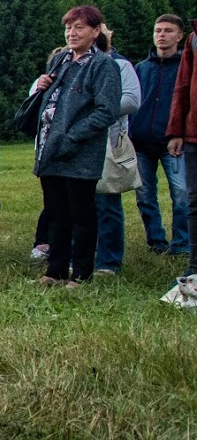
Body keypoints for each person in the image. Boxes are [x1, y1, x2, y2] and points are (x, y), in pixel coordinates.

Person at [32, 6, 121, 286]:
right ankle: (55, 271)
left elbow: (106, 110)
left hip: (80, 151)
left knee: (81, 214)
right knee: (56, 213)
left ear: (95, 32)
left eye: (79, 27)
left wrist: (73, 137)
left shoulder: (103, 65)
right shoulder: (60, 60)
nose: (72, 33)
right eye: (69, 27)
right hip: (51, 148)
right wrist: (43, 85)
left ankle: (81, 274)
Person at [133, 14, 188, 257]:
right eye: (158, 31)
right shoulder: (141, 68)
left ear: (179, 36)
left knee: (182, 194)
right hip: (141, 142)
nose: (161, 35)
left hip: (173, 142)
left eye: (167, 31)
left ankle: (182, 244)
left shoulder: (187, 68)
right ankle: (156, 241)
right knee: (144, 195)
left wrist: (182, 133)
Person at [93, 26, 141, 275]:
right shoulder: (70, 64)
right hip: (76, 144)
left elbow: (132, 100)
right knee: (74, 204)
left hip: (107, 142)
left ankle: (108, 261)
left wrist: (95, 111)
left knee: (106, 200)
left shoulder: (121, 66)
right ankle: (76, 256)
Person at [166, 18, 197, 280]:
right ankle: (195, 268)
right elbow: (183, 87)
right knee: (194, 202)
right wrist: (176, 131)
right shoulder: (194, 38)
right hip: (194, 133)